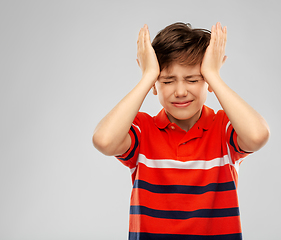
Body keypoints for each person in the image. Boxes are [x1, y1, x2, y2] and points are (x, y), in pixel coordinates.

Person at [93, 22, 270, 240]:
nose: (180, 91)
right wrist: (148, 76)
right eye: (167, 80)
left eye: (193, 79)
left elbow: (257, 136)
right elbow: (103, 141)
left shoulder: (224, 128)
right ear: (155, 84)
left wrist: (213, 75)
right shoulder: (142, 130)